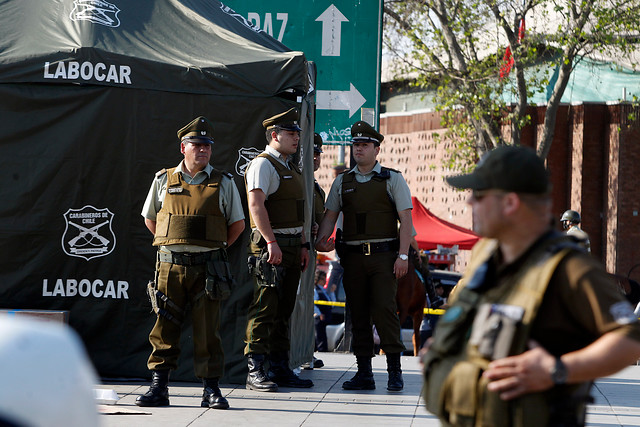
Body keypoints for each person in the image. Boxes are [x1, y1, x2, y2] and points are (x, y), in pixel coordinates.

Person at [422, 145, 640, 426]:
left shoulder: (570, 268)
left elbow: (630, 340)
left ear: (510, 203)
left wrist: (558, 370)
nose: (470, 204)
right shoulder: (484, 255)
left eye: (479, 195)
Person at [137, 116, 245, 410]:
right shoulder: (163, 179)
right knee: (164, 328)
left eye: (207, 146)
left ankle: (211, 390)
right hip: (170, 267)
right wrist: (175, 245)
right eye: (197, 145)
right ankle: (159, 388)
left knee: (208, 330)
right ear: (183, 147)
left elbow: (236, 225)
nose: (203, 150)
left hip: (208, 268)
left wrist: (211, 249)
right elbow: (151, 220)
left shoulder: (223, 182)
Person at [315, 121, 414, 392]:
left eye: (365, 145)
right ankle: (364, 374)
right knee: (357, 314)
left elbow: (406, 221)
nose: (359, 149)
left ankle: (395, 372)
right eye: (356, 145)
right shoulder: (342, 181)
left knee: (384, 311)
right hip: (353, 258)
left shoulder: (392, 179)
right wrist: (318, 242)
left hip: (384, 257)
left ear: (376, 149)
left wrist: (403, 256)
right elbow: (330, 217)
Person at [244, 107, 313, 392]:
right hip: (272, 248)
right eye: (290, 133)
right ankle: (255, 369)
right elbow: (256, 206)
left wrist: (305, 244)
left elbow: (299, 212)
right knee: (264, 308)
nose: (296, 138)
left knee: (284, 310)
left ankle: (280, 367)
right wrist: (271, 242)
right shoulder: (263, 165)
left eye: (297, 133)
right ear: (275, 135)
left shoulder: (289, 165)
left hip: (293, 246)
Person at [313, 270, 332, 352]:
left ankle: (323, 349)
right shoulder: (315, 290)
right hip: (319, 317)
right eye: (324, 279)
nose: (325, 281)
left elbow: (331, 302)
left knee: (323, 335)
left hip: (325, 316)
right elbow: (314, 303)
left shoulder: (324, 290)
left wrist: (332, 292)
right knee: (319, 335)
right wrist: (319, 313)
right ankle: (321, 350)